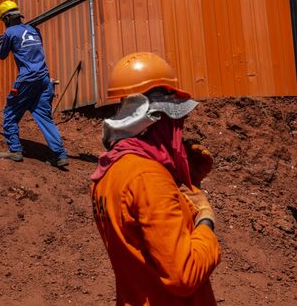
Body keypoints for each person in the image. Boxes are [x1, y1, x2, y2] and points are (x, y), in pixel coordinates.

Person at [90, 52, 221, 305]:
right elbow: (184, 275)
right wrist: (205, 222)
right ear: (153, 123)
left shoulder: (109, 171)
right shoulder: (148, 179)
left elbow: (145, 242)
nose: (179, 130)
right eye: (176, 122)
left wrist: (175, 183)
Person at [0, 0, 68, 167]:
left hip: (27, 79)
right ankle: (60, 155)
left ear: (5, 19)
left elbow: (2, 55)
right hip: (43, 79)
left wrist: (1, 42)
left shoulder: (9, 33)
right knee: (44, 118)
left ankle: (15, 150)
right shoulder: (35, 30)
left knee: (11, 113)